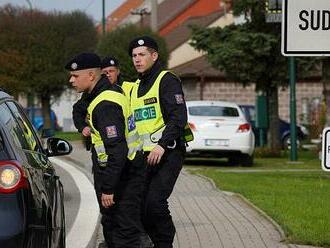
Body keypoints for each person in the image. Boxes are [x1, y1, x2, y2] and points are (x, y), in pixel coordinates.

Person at [66, 52, 144, 248]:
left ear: (91, 75)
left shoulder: (104, 104)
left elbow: (117, 150)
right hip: (121, 174)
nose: (71, 80)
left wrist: (108, 188)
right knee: (113, 227)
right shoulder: (102, 94)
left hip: (121, 178)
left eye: (75, 76)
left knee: (123, 233)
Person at [128, 36, 191, 248]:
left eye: (142, 55)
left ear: (154, 56)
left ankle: (165, 243)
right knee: (140, 206)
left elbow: (179, 117)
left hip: (168, 152)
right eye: (134, 56)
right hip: (144, 156)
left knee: (155, 204)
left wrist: (162, 145)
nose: (137, 59)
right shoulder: (136, 85)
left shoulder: (167, 80)